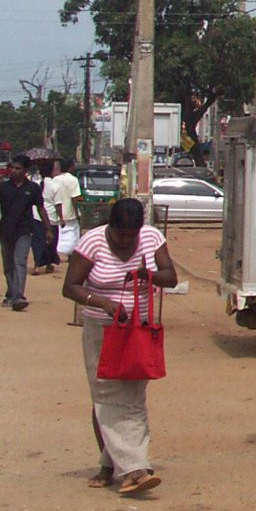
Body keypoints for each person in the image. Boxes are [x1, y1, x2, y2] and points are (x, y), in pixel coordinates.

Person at [61, 198, 178, 495]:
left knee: (132, 397)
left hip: (137, 330)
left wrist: (145, 274)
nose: (125, 240)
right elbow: (70, 286)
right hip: (101, 329)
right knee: (105, 395)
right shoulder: (91, 243)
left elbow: (171, 277)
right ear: (109, 227)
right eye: (119, 235)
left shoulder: (151, 238)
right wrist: (102, 302)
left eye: (131, 235)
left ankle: (114, 465)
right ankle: (133, 468)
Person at [0, 156, 47, 310]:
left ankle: (19, 296)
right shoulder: (3, 187)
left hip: (24, 230)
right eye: (12, 167)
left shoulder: (33, 188)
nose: (13, 171)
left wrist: (48, 228)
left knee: (19, 261)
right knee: (8, 265)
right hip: (6, 230)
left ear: (26, 171)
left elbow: (41, 208)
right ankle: (11, 294)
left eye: (18, 168)